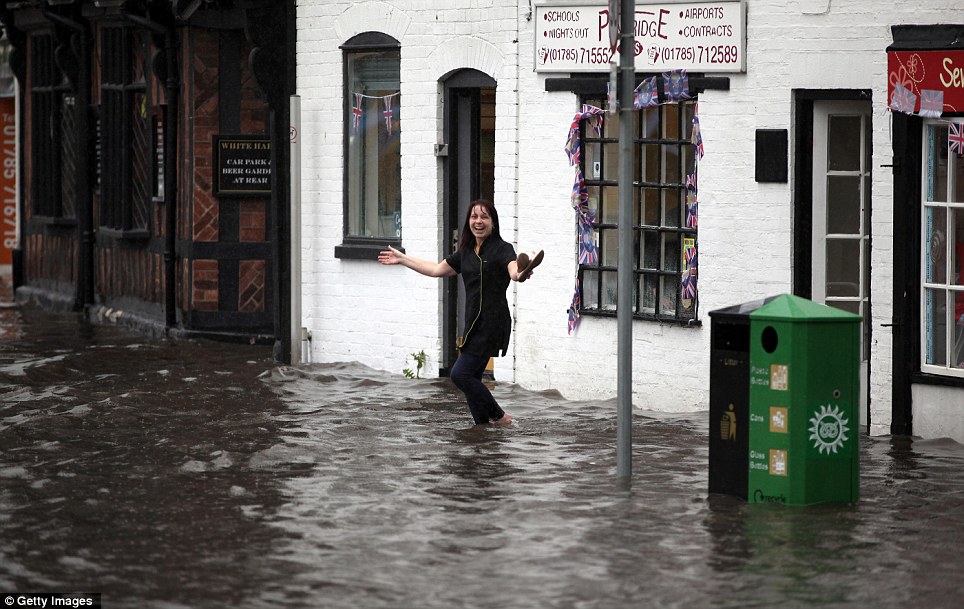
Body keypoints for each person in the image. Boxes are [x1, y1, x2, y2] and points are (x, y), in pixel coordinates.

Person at [378, 199, 542, 426]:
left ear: (493, 223)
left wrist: (523, 270)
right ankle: (483, 432)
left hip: (492, 323)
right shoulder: (466, 252)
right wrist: (403, 259)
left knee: (459, 374)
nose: (478, 221)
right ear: (468, 222)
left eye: (484, 217)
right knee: (472, 378)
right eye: (474, 217)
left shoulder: (502, 249)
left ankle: (500, 417)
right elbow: (436, 269)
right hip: (474, 324)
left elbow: (514, 271)